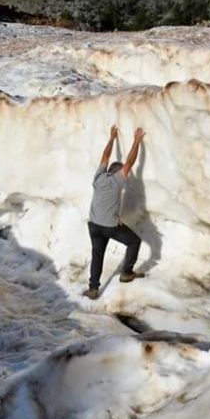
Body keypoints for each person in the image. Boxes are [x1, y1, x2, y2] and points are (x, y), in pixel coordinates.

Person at [83, 125, 145, 299]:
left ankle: (93, 289)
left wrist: (112, 138)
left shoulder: (98, 176)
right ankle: (126, 272)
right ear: (119, 173)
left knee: (97, 255)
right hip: (109, 226)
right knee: (134, 241)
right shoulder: (117, 181)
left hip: (94, 225)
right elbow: (131, 162)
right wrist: (137, 141)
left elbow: (105, 156)